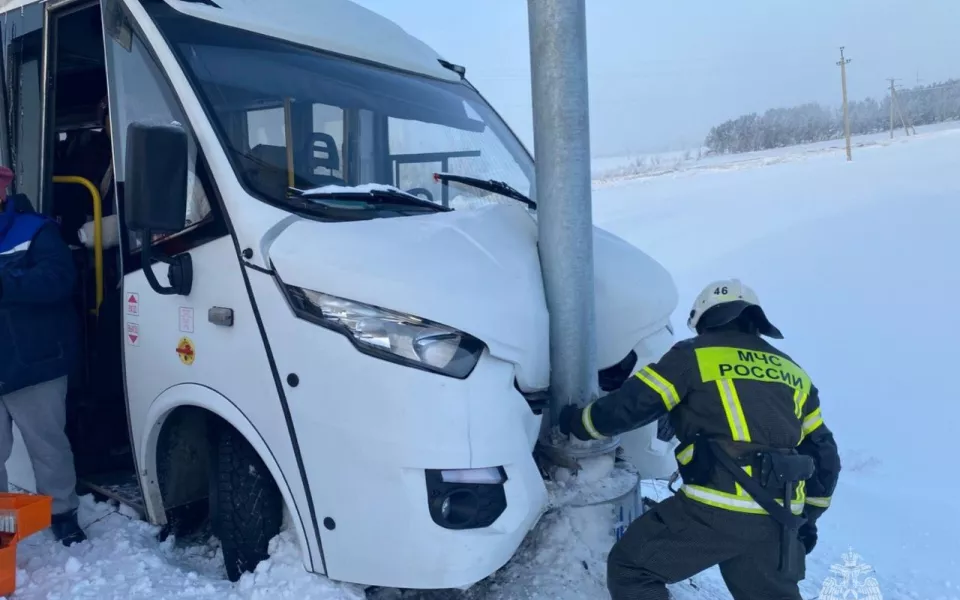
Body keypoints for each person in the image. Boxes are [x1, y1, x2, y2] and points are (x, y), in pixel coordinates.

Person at [559, 279, 840, 600]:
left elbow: (633, 404)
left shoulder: (693, 355)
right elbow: (825, 455)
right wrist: (808, 519)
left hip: (715, 509)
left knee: (632, 569)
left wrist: (579, 424)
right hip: (777, 517)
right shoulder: (795, 373)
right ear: (755, 320)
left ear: (704, 319)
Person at [0, 166, 86, 546]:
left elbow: (59, 280)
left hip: (35, 362)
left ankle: (63, 513)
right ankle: (3, 523)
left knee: (47, 444)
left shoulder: (36, 230)